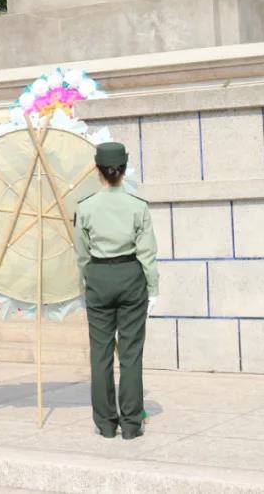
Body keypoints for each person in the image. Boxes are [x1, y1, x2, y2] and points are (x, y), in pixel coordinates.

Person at [73, 142, 159, 440]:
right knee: (131, 353)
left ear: (97, 170)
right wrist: (154, 288)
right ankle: (132, 423)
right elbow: (147, 252)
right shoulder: (138, 206)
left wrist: (86, 283)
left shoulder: (85, 207)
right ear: (124, 169)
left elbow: (81, 254)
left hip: (99, 276)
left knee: (100, 353)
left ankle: (106, 423)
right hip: (131, 275)